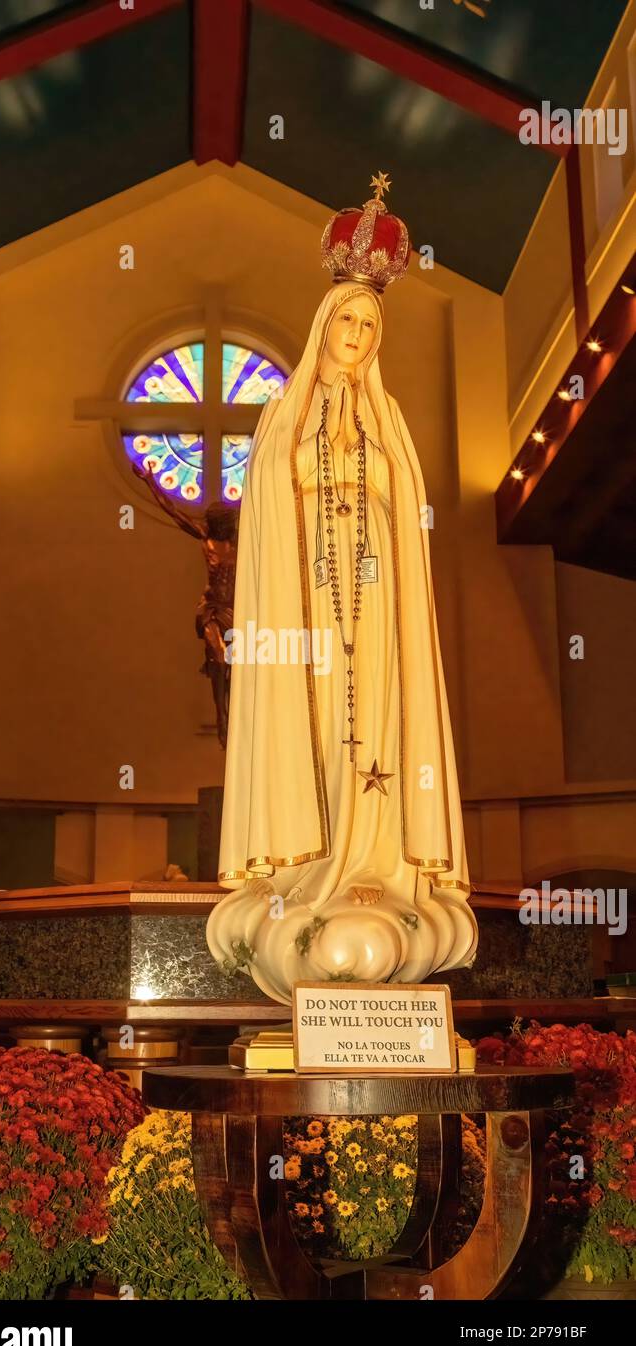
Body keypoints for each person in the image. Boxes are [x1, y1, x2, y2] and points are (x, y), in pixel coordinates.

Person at [206, 176, 477, 1003]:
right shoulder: (278, 421)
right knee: (314, 732)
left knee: (381, 744)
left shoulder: (389, 423)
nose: (356, 333)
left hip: (377, 618)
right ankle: (310, 871)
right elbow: (264, 518)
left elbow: (409, 522)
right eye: (346, 320)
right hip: (305, 620)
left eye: (369, 323)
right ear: (323, 326)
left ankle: (376, 871)